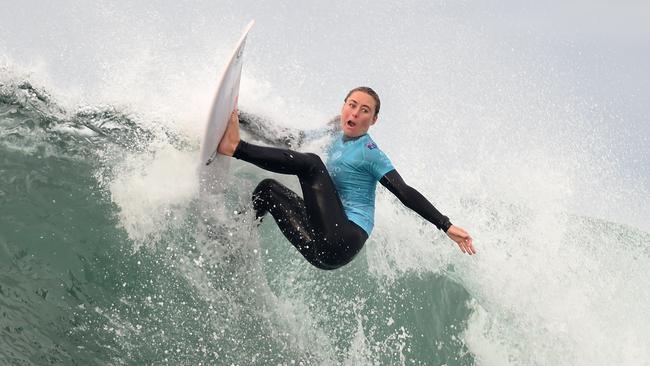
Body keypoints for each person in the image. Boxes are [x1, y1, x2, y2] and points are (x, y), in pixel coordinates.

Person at [217, 87, 475, 270]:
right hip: (320, 249)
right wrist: (241, 116)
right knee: (267, 190)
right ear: (343, 106)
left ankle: (235, 147)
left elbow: (404, 192)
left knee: (312, 165)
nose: (355, 113)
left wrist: (445, 225)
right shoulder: (331, 132)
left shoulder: (370, 153)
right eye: (351, 105)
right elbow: (288, 139)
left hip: (344, 239)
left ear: (373, 120)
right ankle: (233, 245)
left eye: (365, 110)